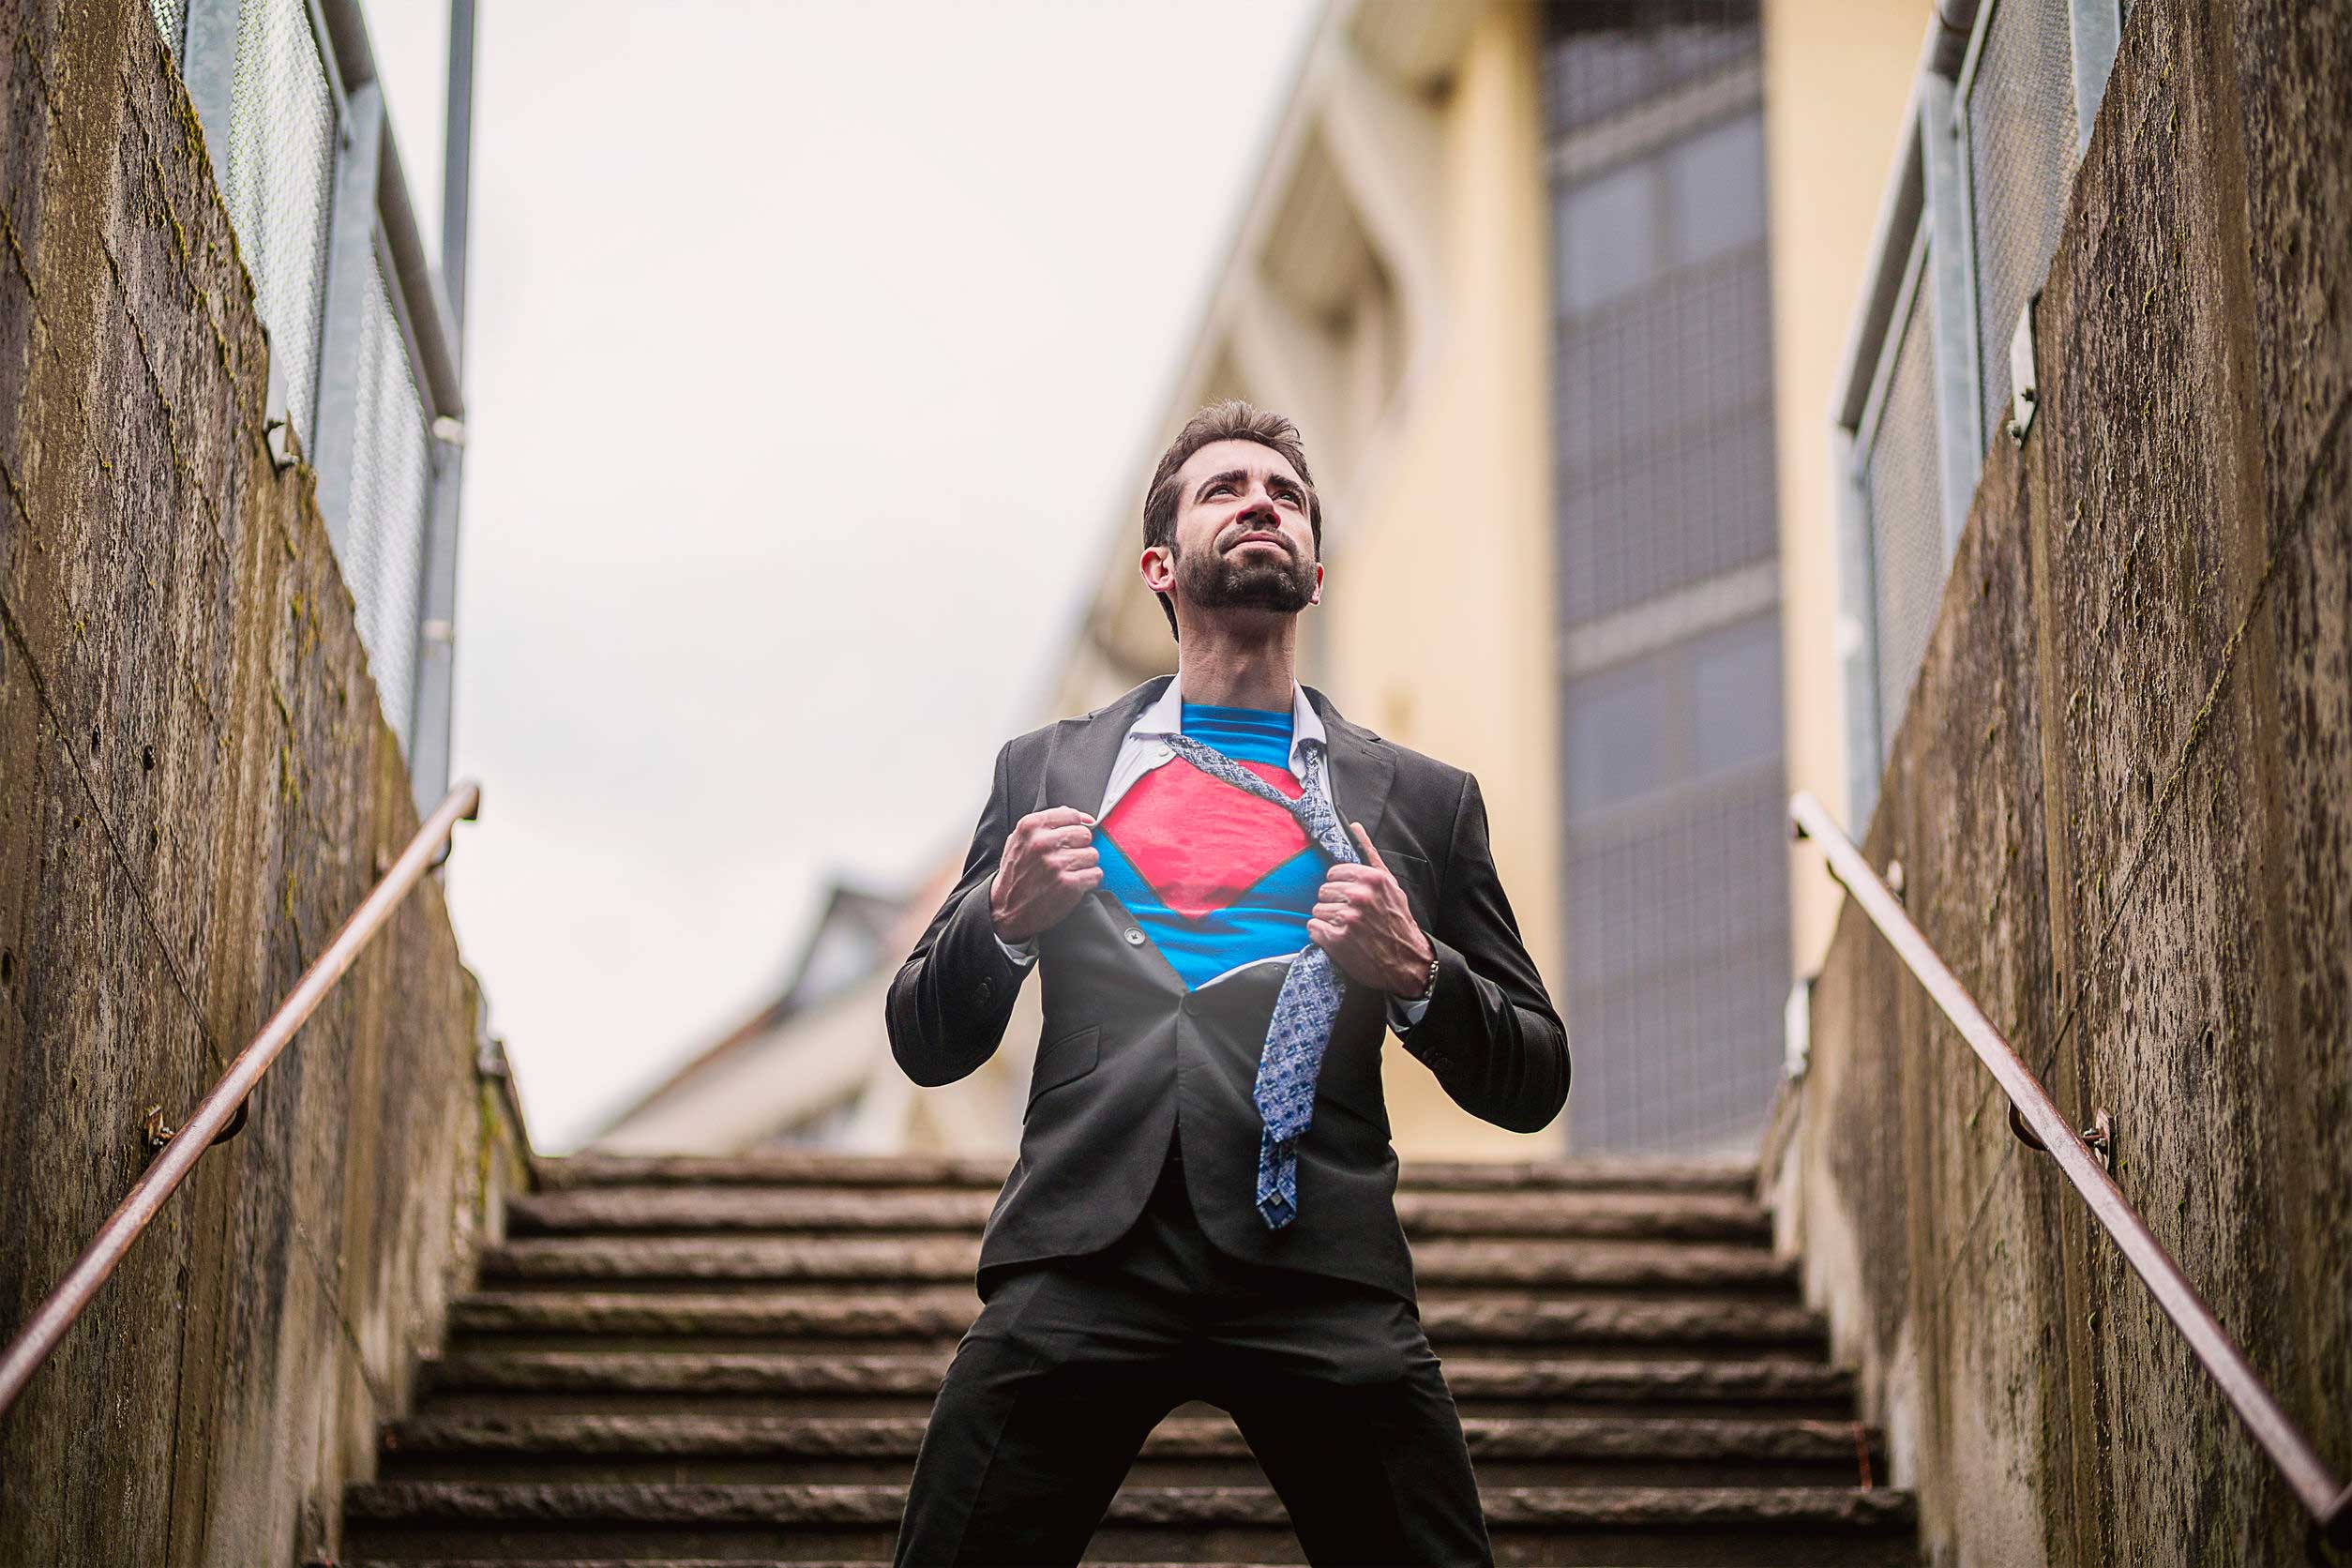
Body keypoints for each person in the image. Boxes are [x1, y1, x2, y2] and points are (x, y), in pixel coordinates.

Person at [884, 400, 1569, 1566]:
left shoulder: (1422, 801)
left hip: (1317, 1262)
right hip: (1085, 1248)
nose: (1262, 502)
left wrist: (1418, 976)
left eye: (1287, 496)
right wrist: (999, 925)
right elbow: (924, 1038)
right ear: (1161, 565)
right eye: (1226, 489)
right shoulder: (1050, 768)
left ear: (1316, 569)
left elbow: (1534, 1074)